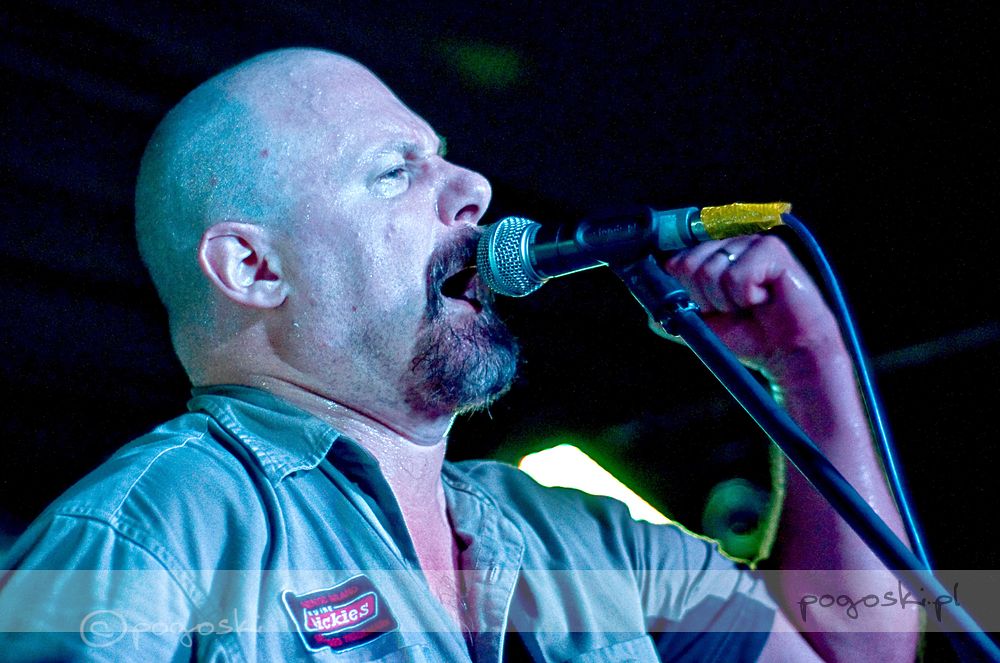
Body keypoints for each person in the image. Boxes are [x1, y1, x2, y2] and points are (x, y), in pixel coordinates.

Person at [0, 48, 919, 661]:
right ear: (254, 267)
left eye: (444, 157)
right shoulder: (146, 534)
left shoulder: (576, 540)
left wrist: (810, 364)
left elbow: (851, 647)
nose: (475, 187)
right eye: (395, 170)